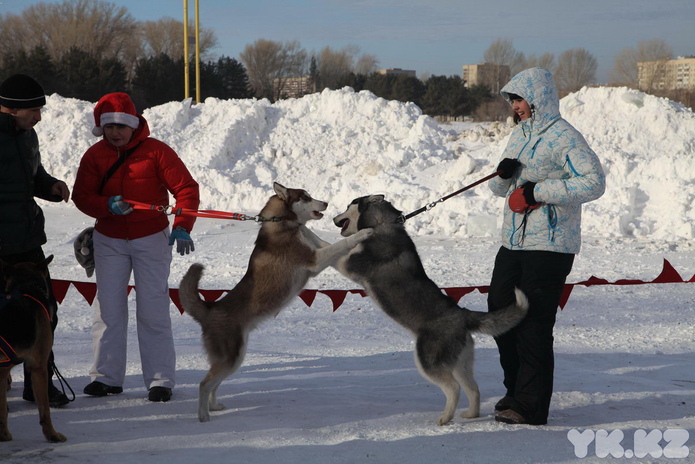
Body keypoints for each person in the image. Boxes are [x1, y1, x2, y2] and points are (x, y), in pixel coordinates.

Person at [487, 67, 605, 425]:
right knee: (499, 312)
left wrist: (538, 191)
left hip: (551, 245)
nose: (515, 106)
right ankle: (517, 388)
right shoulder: (519, 134)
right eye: (512, 100)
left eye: (519, 98)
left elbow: (593, 183)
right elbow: (498, 190)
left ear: (537, 98)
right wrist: (503, 175)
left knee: (534, 323)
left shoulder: (565, 136)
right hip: (514, 240)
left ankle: (530, 405)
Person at [72, 92, 199, 402]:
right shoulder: (94, 156)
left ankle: (160, 380)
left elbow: (186, 190)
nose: (115, 132)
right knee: (108, 310)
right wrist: (106, 206)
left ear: (134, 125)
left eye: (121, 126)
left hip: (151, 239)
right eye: (110, 126)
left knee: (153, 309)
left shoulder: (157, 152)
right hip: (109, 240)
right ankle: (106, 377)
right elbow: (81, 196)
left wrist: (182, 227)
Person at [0, 73, 71, 407]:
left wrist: (50, 186)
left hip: (28, 239)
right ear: (12, 109)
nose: (40, 117)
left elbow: (32, 176)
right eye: (35, 111)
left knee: (45, 312)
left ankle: (38, 381)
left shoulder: (28, 137)